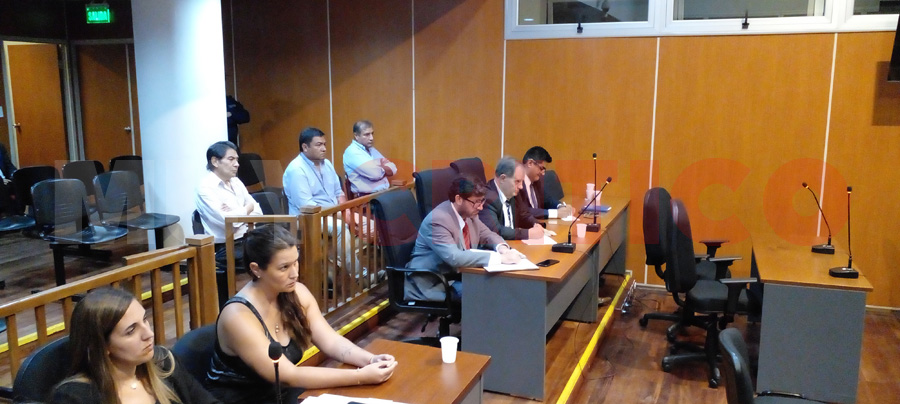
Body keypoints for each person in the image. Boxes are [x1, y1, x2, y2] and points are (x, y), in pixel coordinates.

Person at [206, 225, 397, 404]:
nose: (294, 274)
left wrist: (370, 360)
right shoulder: (238, 316)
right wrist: (361, 376)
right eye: (284, 267)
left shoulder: (296, 292)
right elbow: (288, 375)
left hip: (283, 395)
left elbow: (331, 341)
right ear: (256, 269)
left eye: (295, 263)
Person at [50, 287, 221, 404]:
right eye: (131, 331)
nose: (149, 334)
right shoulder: (75, 397)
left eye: (145, 320)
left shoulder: (164, 363)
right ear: (103, 346)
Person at [406, 174, 523, 302]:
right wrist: (499, 258)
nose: (480, 207)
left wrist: (503, 249)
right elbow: (455, 257)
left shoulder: (469, 214)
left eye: (482, 201)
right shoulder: (438, 220)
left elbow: (487, 234)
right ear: (459, 199)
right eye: (476, 202)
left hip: (455, 277)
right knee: (490, 293)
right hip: (432, 284)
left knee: (501, 286)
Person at [195, 141, 262, 306]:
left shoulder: (236, 182)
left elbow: (258, 211)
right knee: (267, 258)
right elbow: (227, 220)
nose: (237, 164)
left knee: (280, 250)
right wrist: (246, 209)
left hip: (246, 237)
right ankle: (246, 305)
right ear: (215, 161)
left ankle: (262, 305)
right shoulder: (205, 188)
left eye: (237, 159)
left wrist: (237, 212)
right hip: (224, 247)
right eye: (231, 159)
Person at [479, 157, 553, 240]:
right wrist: (528, 234)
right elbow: (495, 231)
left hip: (515, 244)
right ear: (503, 178)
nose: (521, 187)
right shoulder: (487, 198)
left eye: (522, 181)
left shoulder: (513, 192)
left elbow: (524, 215)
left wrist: (536, 225)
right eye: (517, 181)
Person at [516, 146, 573, 220]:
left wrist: (560, 206)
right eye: (541, 168)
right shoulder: (517, 183)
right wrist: (555, 213)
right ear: (530, 163)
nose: (543, 173)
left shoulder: (536, 181)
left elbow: (547, 200)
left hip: (538, 223)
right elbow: (524, 211)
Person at [342, 120, 397, 197]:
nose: (371, 138)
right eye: (367, 134)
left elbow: (393, 168)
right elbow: (375, 174)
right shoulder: (352, 152)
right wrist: (382, 168)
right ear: (356, 136)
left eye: (372, 134)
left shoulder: (371, 149)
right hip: (365, 199)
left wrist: (378, 168)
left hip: (382, 195)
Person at [0, 142, 17, 217]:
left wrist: (14, 174)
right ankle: (6, 214)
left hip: (6, 181)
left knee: (22, 176)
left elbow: (9, 166)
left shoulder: (0, 147)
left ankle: (18, 215)